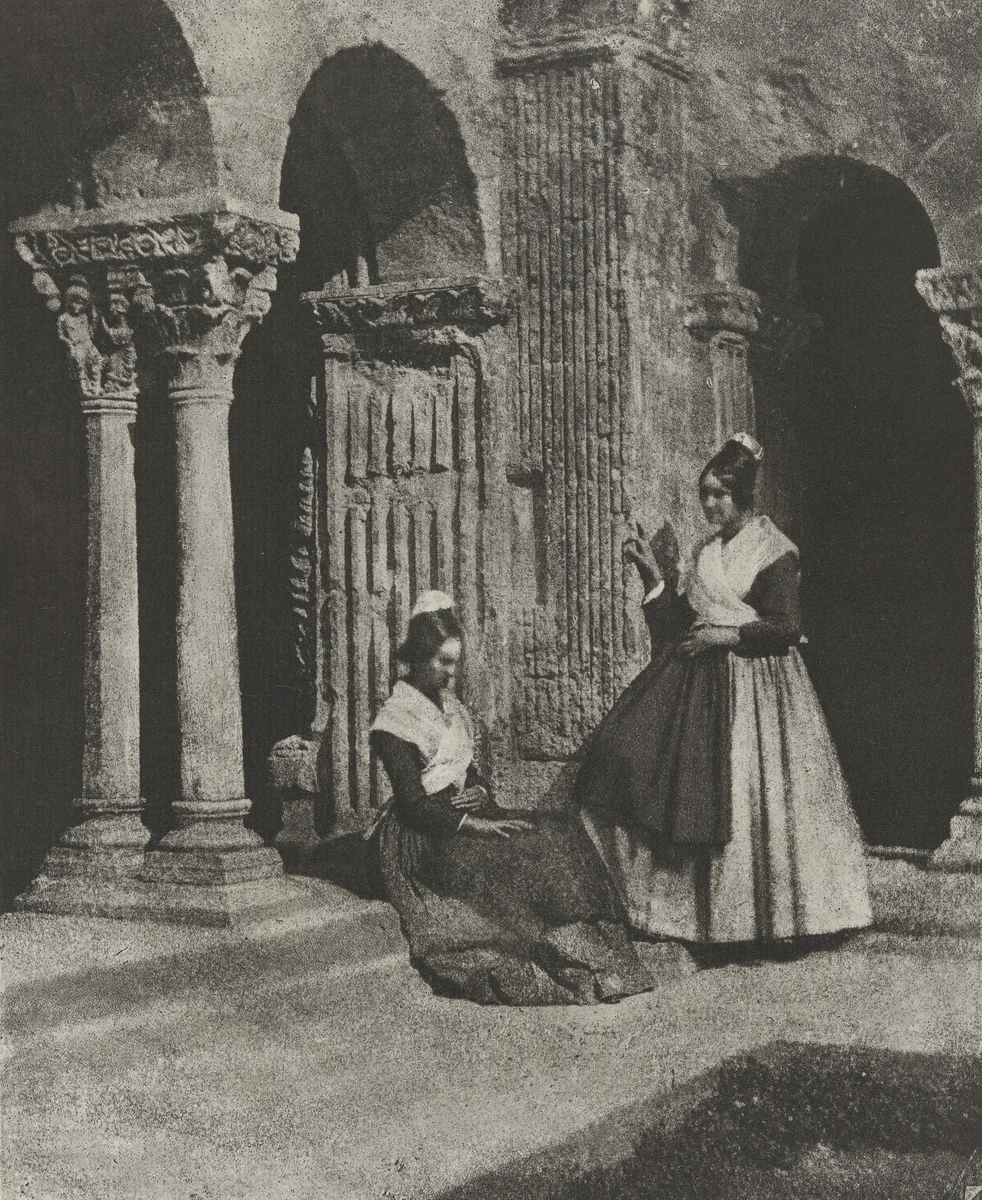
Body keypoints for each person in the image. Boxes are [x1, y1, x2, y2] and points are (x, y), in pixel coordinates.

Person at [574, 433, 872, 958]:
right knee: (635, 760)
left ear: (744, 494)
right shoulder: (704, 553)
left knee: (757, 796)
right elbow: (681, 626)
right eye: (704, 494)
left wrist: (729, 636)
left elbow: (785, 625)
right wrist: (653, 575)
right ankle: (697, 921)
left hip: (762, 686)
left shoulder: (773, 549)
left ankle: (774, 922)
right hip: (703, 684)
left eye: (720, 494)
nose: (710, 505)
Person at [369, 591, 654, 1005]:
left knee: (558, 831)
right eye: (442, 663)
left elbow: (466, 768)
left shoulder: (449, 706)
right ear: (416, 656)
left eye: (455, 664)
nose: (451, 675)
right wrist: (477, 824)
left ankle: (607, 962)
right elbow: (413, 805)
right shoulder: (394, 720)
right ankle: (571, 968)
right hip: (426, 836)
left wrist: (480, 789)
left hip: (469, 812)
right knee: (510, 856)